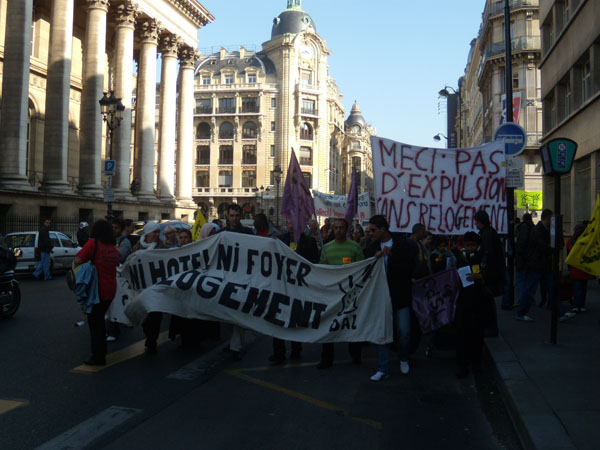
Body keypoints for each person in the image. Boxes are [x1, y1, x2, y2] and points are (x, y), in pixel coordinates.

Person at [366, 215, 418, 381]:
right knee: (383, 333)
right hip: (380, 298)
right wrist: (373, 259)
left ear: (383, 229)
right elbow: (366, 268)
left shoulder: (402, 244)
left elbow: (409, 267)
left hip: (400, 296)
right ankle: (383, 367)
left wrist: (392, 256)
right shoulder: (371, 246)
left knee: (403, 332)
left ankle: (403, 358)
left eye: (373, 230)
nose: (371, 233)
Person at [268, 220, 319, 364]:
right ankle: (279, 352)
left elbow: (314, 261)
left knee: (295, 319)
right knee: (277, 319)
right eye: (290, 222)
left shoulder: (309, 241)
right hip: (281, 286)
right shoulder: (279, 240)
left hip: (299, 287)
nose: (292, 224)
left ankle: (296, 349)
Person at [317, 218, 364, 369]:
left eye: (341, 228)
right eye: (336, 228)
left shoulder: (355, 247)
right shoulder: (326, 248)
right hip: (331, 295)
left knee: (352, 323)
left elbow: (362, 269)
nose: (338, 230)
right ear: (332, 229)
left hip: (350, 294)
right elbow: (321, 270)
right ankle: (326, 359)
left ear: (346, 229)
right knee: (328, 325)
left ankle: (356, 355)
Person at [73, 220, 121, 365]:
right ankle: (101, 353)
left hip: (97, 290)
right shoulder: (113, 248)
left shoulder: (93, 243)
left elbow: (77, 260)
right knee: (99, 321)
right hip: (111, 288)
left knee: (95, 324)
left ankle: (98, 356)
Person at [454, 232, 490, 378]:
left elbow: (492, 274)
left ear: (477, 246)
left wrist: (480, 276)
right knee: (462, 335)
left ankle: (476, 364)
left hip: (478, 302)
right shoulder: (459, 258)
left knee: (477, 335)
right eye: (468, 245)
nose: (470, 248)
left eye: (473, 245)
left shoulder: (483, 258)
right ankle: (462, 366)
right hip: (463, 302)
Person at [221, 204, 254, 360]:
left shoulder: (248, 233)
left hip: (242, 277)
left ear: (241, 216)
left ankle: (236, 347)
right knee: (227, 314)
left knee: (236, 313)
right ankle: (234, 343)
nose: (234, 218)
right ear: (227, 216)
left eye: (236, 215)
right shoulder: (221, 234)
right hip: (225, 277)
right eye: (231, 215)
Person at [132, 221, 166, 353]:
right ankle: (148, 334)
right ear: (147, 233)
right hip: (142, 287)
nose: (157, 234)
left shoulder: (161, 247)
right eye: (154, 232)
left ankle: (152, 339)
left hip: (156, 286)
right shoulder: (137, 247)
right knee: (145, 315)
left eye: (158, 232)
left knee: (156, 314)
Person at [517, 209, 553, 321]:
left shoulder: (540, 229)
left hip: (539, 263)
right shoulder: (538, 230)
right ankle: (521, 312)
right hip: (536, 263)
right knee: (530, 289)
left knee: (550, 288)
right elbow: (541, 246)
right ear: (547, 218)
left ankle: (560, 312)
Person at [474, 210, 505, 336]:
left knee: (488, 300)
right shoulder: (489, 232)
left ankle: (491, 328)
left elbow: (487, 254)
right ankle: (490, 327)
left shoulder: (487, 234)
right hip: (491, 272)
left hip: (489, 273)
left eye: (476, 221)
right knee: (487, 300)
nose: (475, 224)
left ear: (480, 222)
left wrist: (482, 271)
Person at [106, 218, 133, 343]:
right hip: (110, 275)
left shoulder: (125, 241)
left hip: (121, 277)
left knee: (118, 302)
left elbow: (119, 257)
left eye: (116, 228)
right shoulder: (108, 240)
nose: (113, 230)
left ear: (121, 229)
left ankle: (114, 330)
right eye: (112, 227)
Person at [567, 223, 595, 313]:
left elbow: (568, 254)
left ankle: (576, 305)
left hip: (575, 267)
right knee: (583, 287)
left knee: (577, 287)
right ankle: (581, 305)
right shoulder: (587, 241)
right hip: (583, 267)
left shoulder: (571, 241)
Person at [514, 213, 534, 303]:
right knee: (527, 280)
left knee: (520, 280)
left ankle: (522, 300)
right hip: (531, 258)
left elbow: (521, 243)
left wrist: (518, 253)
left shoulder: (523, 227)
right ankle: (528, 299)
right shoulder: (534, 227)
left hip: (522, 258)